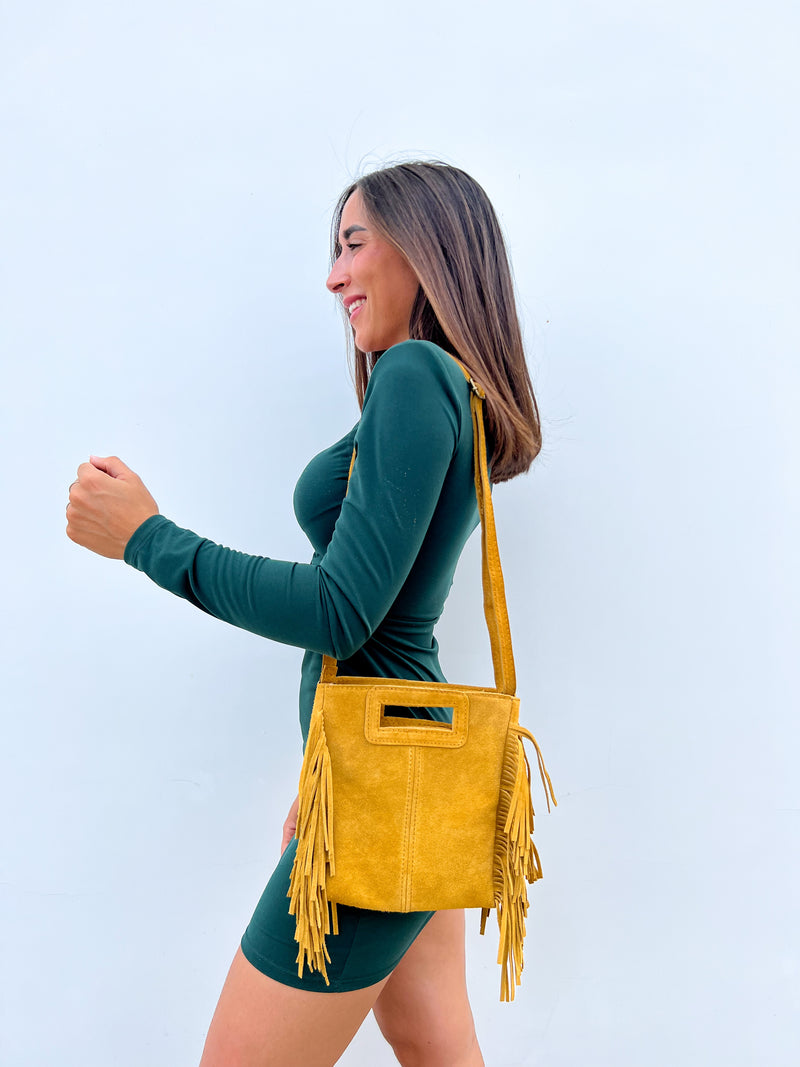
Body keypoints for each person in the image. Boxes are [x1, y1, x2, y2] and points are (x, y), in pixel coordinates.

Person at [66, 161, 542, 1067]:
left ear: (428, 248)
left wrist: (148, 538)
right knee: (434, 1037)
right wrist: (332, 765)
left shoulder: (413, 373)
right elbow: (390, 617)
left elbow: (341, 610)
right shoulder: (450, 384)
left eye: (354, 244)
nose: (334, 277)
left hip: (389, 780)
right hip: (400, 767)